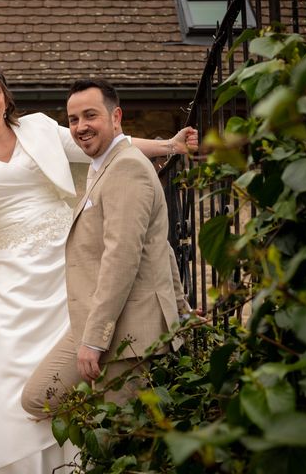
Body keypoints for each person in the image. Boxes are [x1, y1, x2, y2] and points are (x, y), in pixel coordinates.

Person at [0, 64, 197, 474]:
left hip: (66, 270)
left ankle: (80, 462)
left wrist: (169, 146)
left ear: (6, 97)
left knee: (76, 372)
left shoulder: (39, 129)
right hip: (10, 286)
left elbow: (112, 143)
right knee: (11, 385)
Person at [22, 78, 188, 418]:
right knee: (38, 397)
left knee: (124, 442)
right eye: (73, 119)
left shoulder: (127, 167)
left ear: (116, 118)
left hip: (130, 338)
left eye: (90, 115)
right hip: (97, 324)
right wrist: (183, 310)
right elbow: (161, 248)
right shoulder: (103, 168)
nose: (81, 126)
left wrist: (94, 341)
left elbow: (122, 258)